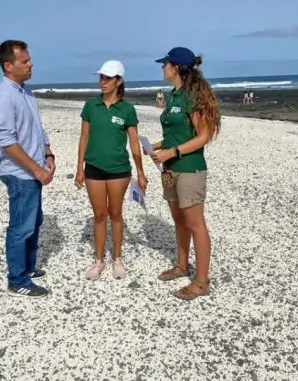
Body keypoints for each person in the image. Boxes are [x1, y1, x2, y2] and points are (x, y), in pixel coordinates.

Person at [148, 47, 221, 300]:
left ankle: (201, 282)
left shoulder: (192, 96)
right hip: (171, 168)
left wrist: (172, 152)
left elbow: (204, 136)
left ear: (176, 67)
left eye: (165, 64)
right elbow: (177, 133)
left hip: (190, 169)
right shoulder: (173, 95)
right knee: (179, 220)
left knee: (195, 224)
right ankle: (181, 266)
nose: (162, 68)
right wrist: (155, 146)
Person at [0, 40, 56, 298]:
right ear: (8, 65)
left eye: (29, 59)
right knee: (21, 226)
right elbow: (7, 142)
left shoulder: (25, 92)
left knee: (34, 220)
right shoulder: (3, 97)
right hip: (20, 174)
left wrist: (48, 153)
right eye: (25, 61)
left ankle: (27, 267)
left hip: (34, 170)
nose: (31, 64)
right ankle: (17, 279)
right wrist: (36, 170)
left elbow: (37, 129)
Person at [74, 60, 148, 280]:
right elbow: (84, 137)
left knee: (115, 214)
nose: (102, 81)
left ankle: (117, 259)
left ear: (119, 81)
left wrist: (141, 172)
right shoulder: (91, 106)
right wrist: (79, 168)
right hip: (93, 168)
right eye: (101, 77)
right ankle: (98, 261)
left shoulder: (127, 109)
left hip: (119, 170)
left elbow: (134, 142)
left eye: (107, 78)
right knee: (99, 215)